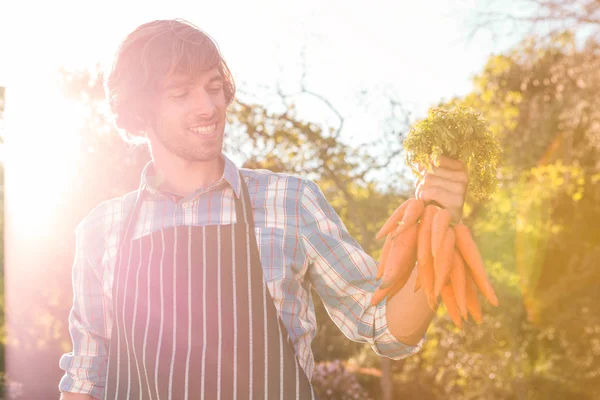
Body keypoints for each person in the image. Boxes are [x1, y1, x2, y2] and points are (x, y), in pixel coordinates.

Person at [58, 19, 470, 400]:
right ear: (139, 111)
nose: (208, 106)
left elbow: (384, 325)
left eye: (214, 86)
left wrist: (437, 226)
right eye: (181, 93)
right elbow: (86, 378)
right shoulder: (102, 230)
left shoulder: (289, 202)